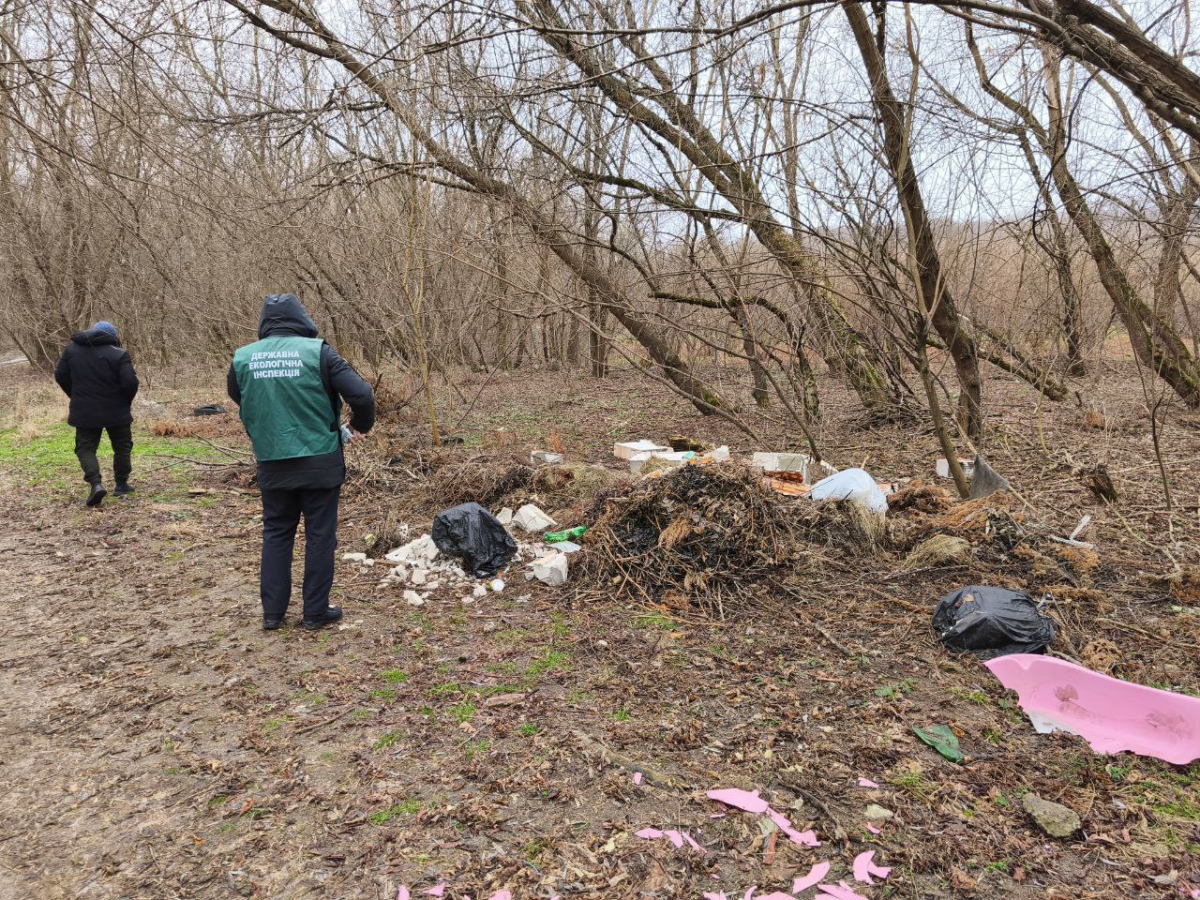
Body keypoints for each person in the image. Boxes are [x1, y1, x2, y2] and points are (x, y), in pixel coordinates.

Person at [228, 293, 375, 632]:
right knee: (320, 535)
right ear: (302, 318)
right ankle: (314, 612)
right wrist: (358, 426)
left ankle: (272, 614)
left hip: (272, 459)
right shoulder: (319, 352)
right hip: (320, 458)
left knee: (277, 532)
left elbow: (239, 394)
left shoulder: (243, 358)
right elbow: (362, 394)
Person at [54, 320, 140, 507]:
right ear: (113, 336)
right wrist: (125, 400)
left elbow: (60, 375)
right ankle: (121, 484)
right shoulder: (119, 354)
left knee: (85, 448)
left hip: (84, 410)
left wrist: (75, 395)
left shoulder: (71, 350)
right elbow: (131, 383)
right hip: (117, 410)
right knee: (122, 446)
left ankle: (96, 484)